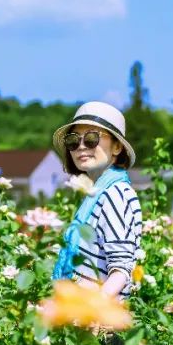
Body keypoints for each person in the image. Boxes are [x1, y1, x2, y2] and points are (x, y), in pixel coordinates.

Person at [51, 101, 142, 299]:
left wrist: (94, 311)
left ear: (117, 147)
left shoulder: (115, 193)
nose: (81, 146)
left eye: (92, 138)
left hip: (99, 323)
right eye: (73, 141)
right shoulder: (97, 194)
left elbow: (121, 270)